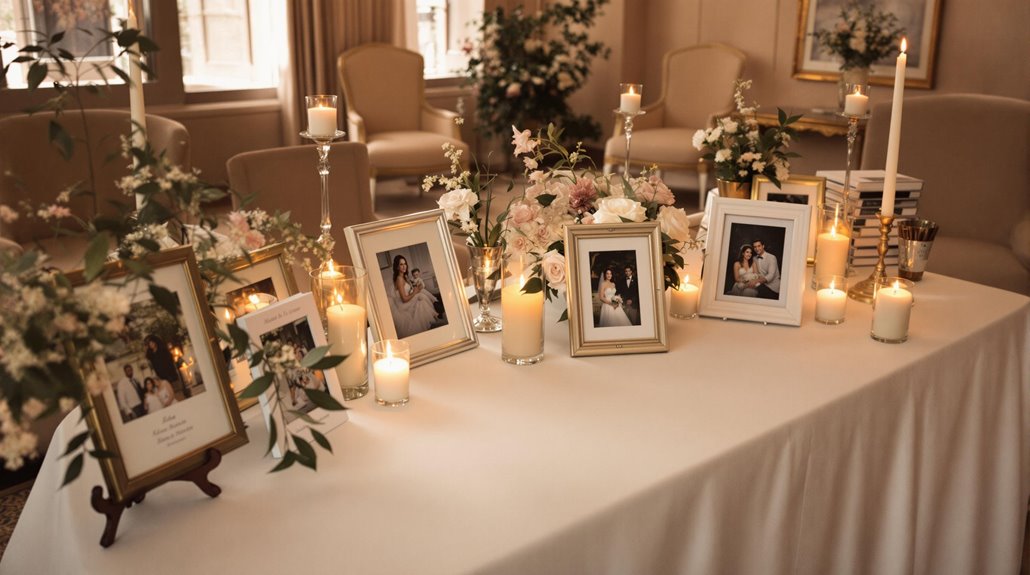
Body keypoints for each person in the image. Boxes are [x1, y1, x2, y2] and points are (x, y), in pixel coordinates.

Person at [390, 255, 439, 338]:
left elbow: (409, 290)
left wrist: (415, 289)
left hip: (407, 299)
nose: (404, 266)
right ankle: (433, 318)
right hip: (403, 304)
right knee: (421, 298)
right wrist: (415, 292)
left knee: (421, 294)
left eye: (405, 264)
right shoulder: (399, 279)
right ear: (397, 267)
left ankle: (434, 318)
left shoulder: (404, 277)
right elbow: (404, 299)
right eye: (401, 264)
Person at [145, 334, 187, 399]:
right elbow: (154, 369)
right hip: (162, 379)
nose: (151, 344)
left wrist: (170, 375)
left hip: (171, 376)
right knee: (168, 397)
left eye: (152, 342)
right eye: (149, 343)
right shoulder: (151, 356)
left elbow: (170, 364)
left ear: (155, 342)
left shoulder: (163, 351)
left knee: (178, 395)